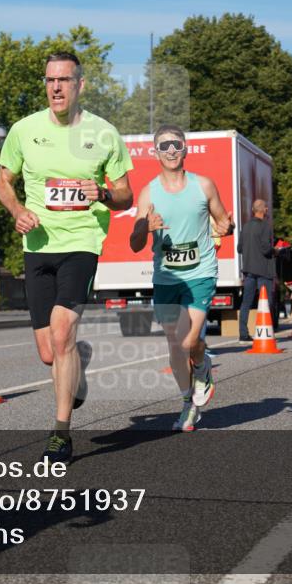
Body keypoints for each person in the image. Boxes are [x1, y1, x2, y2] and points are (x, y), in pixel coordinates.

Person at [0, 51, 133, 462]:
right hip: (38, 246)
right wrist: (18, 211)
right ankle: (78, 366)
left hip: (82, 242)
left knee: (62, 332)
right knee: (48, 352)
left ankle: (60, 433)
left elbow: (126, 193)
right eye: (49, 80)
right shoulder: (24, 130)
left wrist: (104, 194)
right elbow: (4, 181)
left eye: (64, 80)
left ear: (80, 85)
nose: (56, 87)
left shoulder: (104, 133)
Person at [130, 125, 232, 431]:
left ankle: (202, 366)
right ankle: (188, 402)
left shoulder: (204, 185)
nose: (171, 151)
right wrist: (144, 228)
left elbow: (224, 221)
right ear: (156, 152)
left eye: (176, 145)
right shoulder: (149, 192)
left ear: (185, 149)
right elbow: (134, 244)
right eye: (165, 146)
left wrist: (228, 227)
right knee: (175, 345)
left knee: (189, 340)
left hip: (200, 273)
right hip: (166, 278)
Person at [237, 199, 277, 342]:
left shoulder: (246, 227)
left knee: (246, 303)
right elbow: (266, 249)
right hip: (263, 271)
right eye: (266, 208)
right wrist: (276, 250)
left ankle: (243, 333)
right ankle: (267, 331)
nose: (267, 210)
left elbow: (239, 248)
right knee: (267, 302)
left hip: (248, 271)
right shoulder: (265, 227)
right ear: (263, 210)